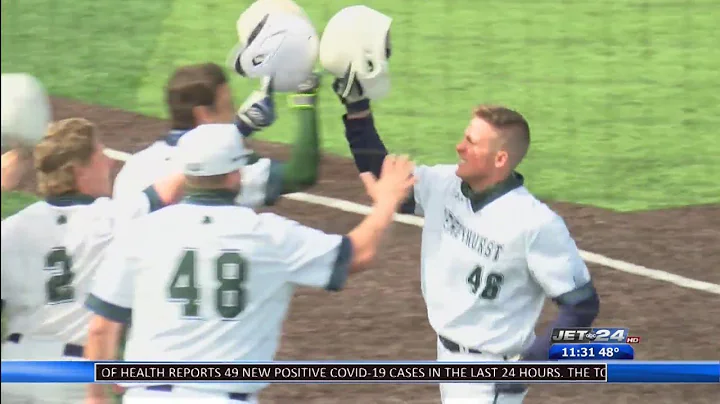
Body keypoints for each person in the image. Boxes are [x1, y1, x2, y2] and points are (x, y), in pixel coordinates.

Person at [320, 8, 601, 404]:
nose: (459, 146)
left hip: (489, 374)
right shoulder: (445, 184)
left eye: (471, 142)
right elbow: (385, 179)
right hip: (448, 358)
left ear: (500, 160)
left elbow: (581, 305)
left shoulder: (534, 224)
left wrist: (532, 366)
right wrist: (357, 110)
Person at [83, 123, 415, 404]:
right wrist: (387, 201)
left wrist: (97, 398)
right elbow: (358, 253)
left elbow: (101, 329)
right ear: (234, 175)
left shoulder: (143, 231)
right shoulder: (269, 235)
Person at [0, 118, 184, 404]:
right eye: (100, 155)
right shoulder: (112, 218)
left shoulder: (10, 228)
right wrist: (233, 134)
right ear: (78, 170)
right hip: (72, 378)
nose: (110, 164)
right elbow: (169, 189)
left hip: (13, 370)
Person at [113, 62, 321, 208]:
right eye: (228, 106)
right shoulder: (224, 172)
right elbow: (301, 175)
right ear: (203, 114)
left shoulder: (135, 168)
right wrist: (305, 100)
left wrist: (241, 128)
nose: (235, 111)